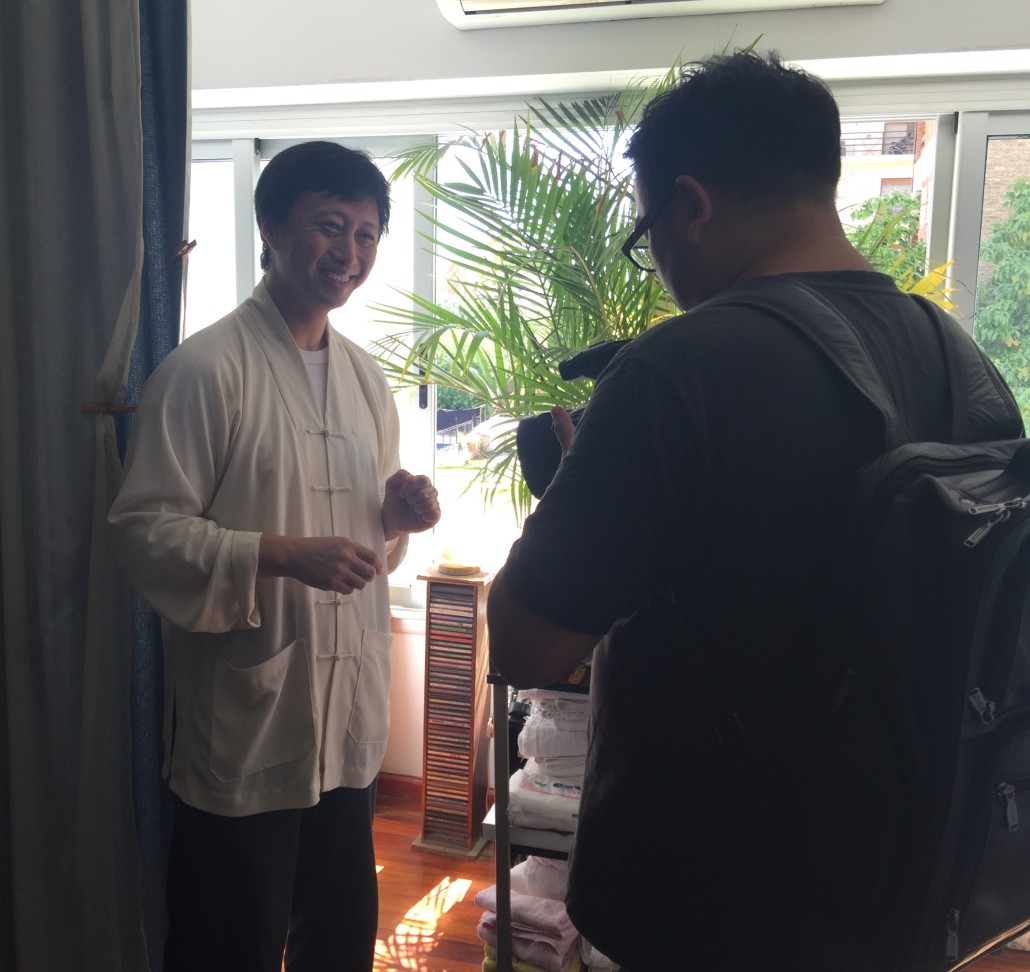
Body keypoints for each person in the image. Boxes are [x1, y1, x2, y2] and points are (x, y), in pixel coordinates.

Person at [486, 52, 1024, 971]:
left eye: (648, 231)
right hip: (901, 883)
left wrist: (576, 491)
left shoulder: (681, 366)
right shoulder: (962, 362)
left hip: (708, 898)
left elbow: (527, 645)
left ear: (691, 206)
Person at [109, 141, 441, 972]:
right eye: (330, 226)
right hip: (247, 723)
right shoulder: (203, 370)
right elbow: (144, 531)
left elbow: (367, 543)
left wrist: (393, 518)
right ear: (271, 227)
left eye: (367, 234)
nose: (350, 252)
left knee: (338, 938)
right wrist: (281, 554)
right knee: (230, 943)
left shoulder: (365, 381)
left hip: (347, 721)